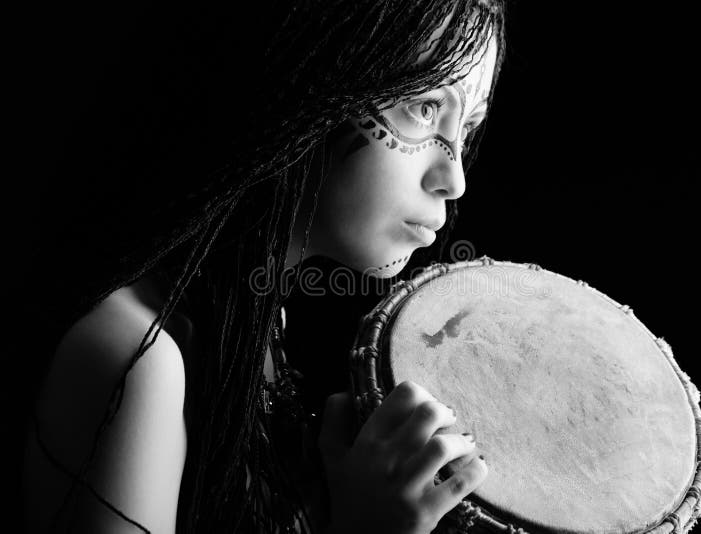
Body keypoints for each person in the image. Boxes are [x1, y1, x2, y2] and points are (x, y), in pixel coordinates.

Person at [16, 1, 507, 532]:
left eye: (467, 128)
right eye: (423, 106)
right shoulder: (135, 357)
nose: (453, 179)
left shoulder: (259, 322)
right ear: (309, 78)